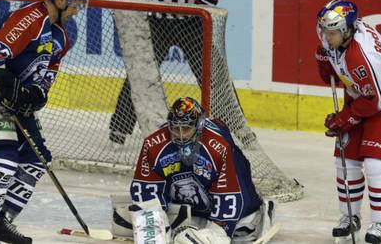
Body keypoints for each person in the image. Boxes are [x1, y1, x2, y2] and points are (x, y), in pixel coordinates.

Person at [0, 0, 88, 244]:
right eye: (76, 3)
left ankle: (0, 223)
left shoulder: (61, 37)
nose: (78, 10)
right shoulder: (30, 18)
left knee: (37, 159)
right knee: (5, 160)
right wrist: (2, 78)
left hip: (16, 103)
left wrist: (36, 95)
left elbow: (46, 78)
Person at [315, 0, 381, 244]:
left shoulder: (362, 55)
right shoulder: (334, 35)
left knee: (376, 165)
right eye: (325, 31)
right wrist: (324, 63)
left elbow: (378, 100)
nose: (327, 37)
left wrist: (346, 117)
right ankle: (350, 217)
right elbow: (336, 66)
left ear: (347, 30)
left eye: (332, 33)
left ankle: (380, 222)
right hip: (363, 93)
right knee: (344, 161)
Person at [111, 97, 274, 243]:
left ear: (199, 125)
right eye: (175, 128)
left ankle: (256, 213)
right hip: (186, 206)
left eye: (186, 128)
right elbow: (146, 189)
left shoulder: (218, 147)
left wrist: (217, 232)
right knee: (152, 229)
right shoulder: (154, 145)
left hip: (224, 198)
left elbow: (229, 194)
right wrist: (153, 229)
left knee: (244, 229)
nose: (180, 136)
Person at [109, 0, 220, 145]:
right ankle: (119, 128)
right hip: (158, 25)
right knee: (140, 75)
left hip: (191, 26)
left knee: (212, 77)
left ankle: (231, 128)